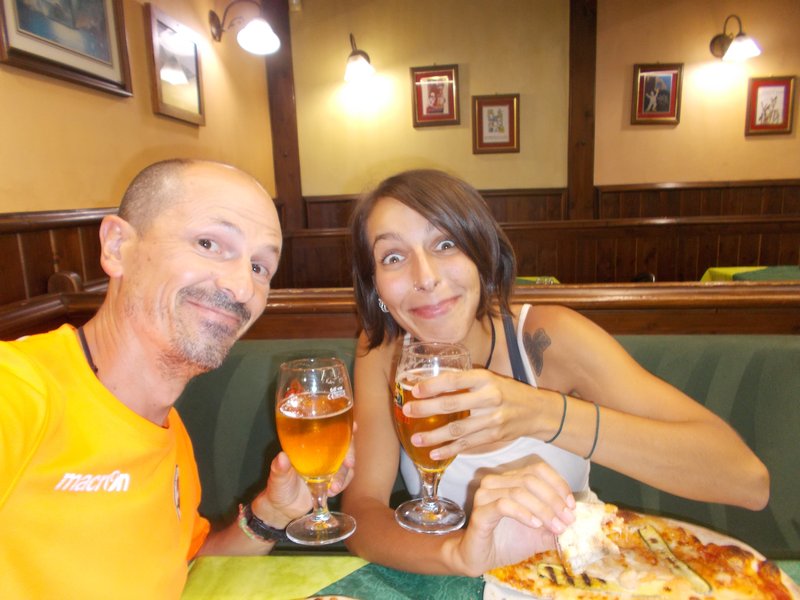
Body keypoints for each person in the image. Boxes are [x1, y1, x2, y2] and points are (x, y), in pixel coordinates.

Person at [342, 168, 769, 576]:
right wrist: (458, 553)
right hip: (451, 576)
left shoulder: (551, 337)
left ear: (481, 254)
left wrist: (543, 413)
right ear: (375, 285)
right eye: (393, 256)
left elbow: (747, 480)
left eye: (445, 244)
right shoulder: (383, 354)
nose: (425, 277)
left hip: (577, 575)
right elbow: (362, 512)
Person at [0, 159, 354, 598]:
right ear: (116, 247)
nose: (242, 287)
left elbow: (188, 569)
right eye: (209, 243)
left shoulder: (171, 435)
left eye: (260, 267)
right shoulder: (19, 389)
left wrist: (273, 513)